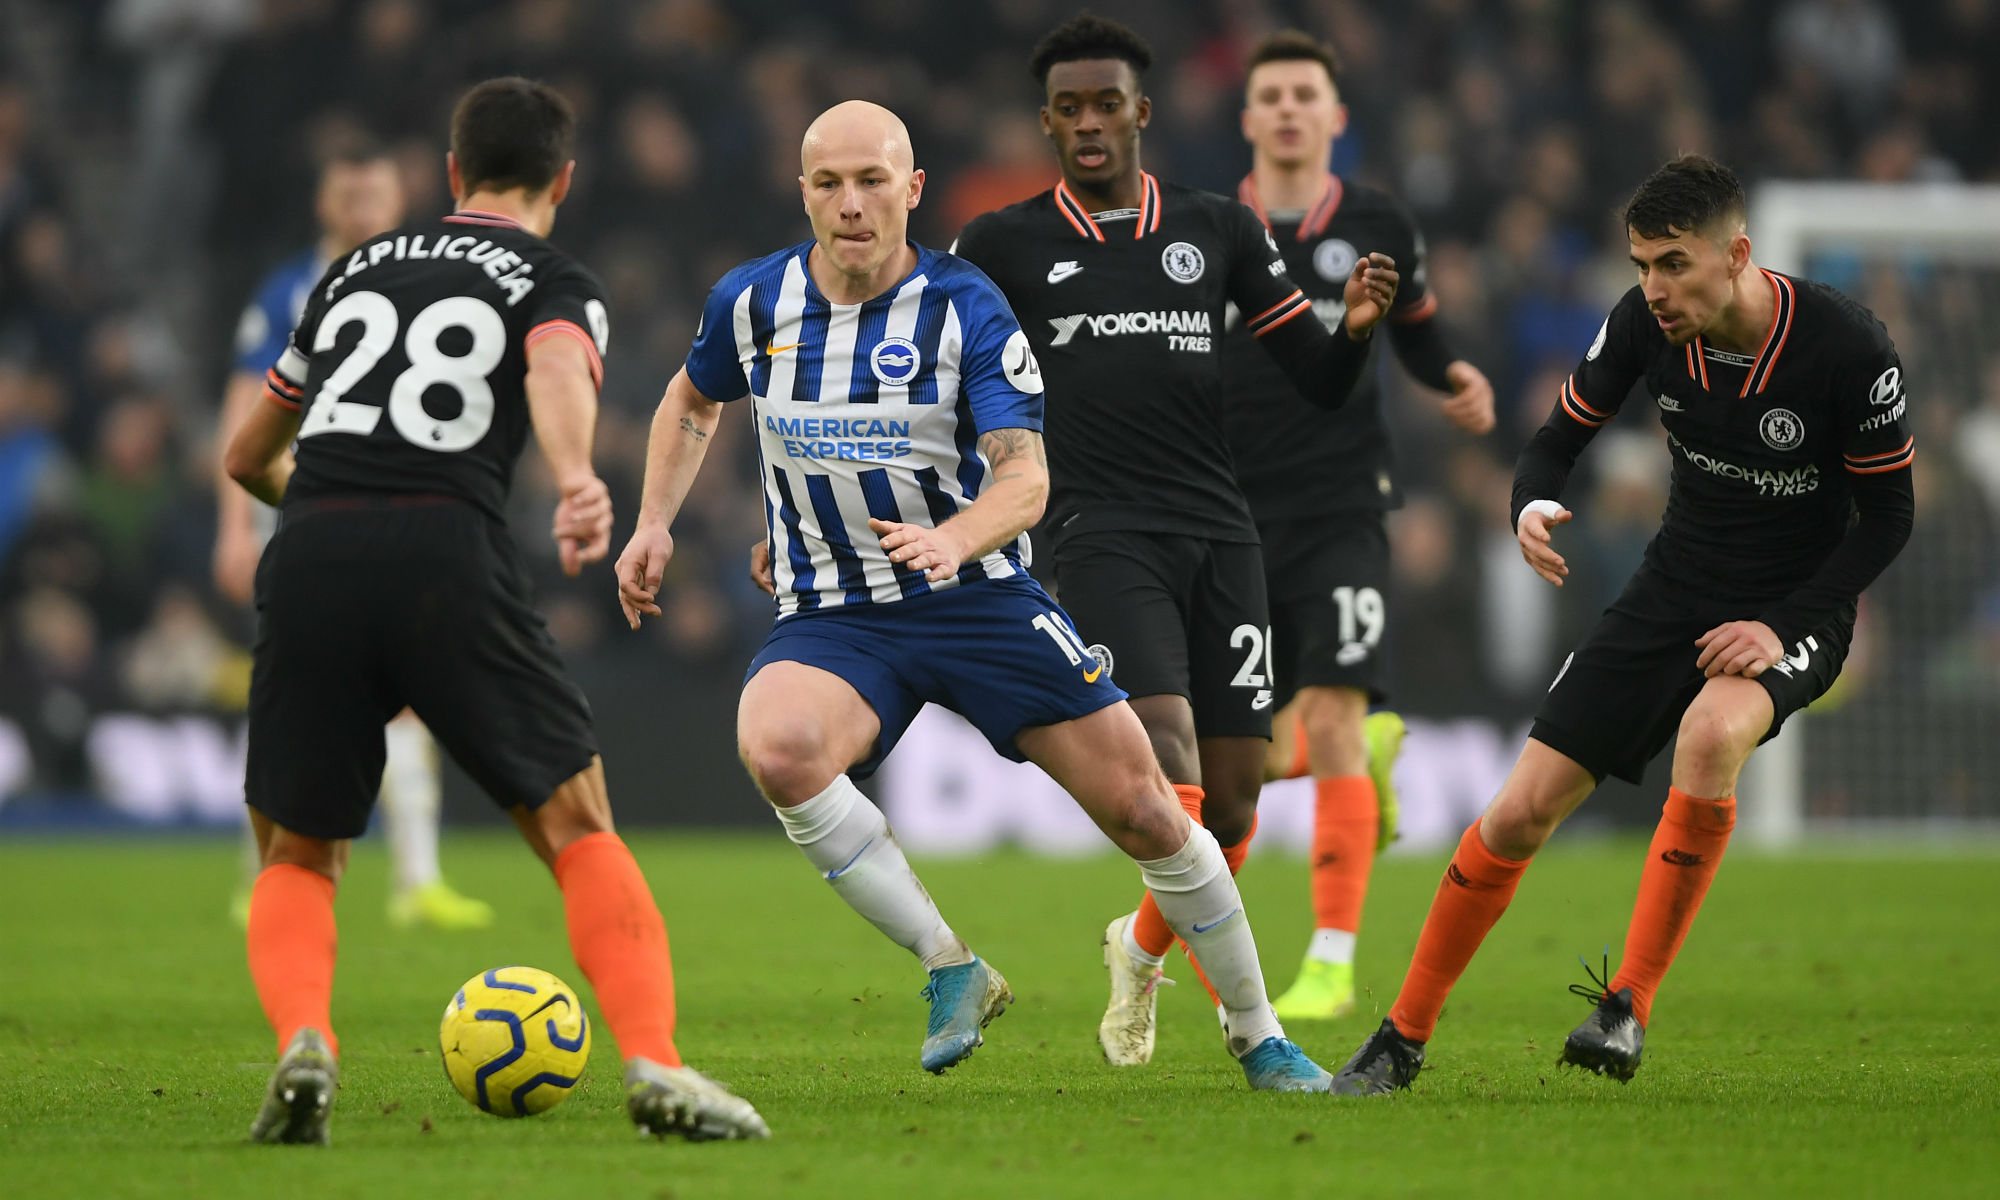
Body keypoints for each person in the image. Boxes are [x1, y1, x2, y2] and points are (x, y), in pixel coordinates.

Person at [616, 99, 1334, 1092]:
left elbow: (1025, 478)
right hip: (836, 616)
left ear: (911, 191)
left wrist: (951, 539)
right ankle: (952, 966)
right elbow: (693, 397)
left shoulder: (964, 305)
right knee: (776, 744)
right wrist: (653, 521)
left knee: (1148, 809)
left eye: (872, 181)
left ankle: (1259, 1035)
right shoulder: (751, 302)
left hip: (979, 598)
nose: (851, 204)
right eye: (828, 183)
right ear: (803, 194)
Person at [224, 77, 767, 1144]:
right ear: (563, 180)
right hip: (446, 549)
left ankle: (305, 1043)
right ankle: (653, 1062)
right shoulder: (550, 273)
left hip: (312, 549)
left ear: (447, 175)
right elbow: (557, 365)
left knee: (297, 850)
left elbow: (246, 458)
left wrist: (339, 508)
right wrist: (574, 477)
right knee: (575, 825)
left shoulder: (350, 272)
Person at [1331, 155, 1915, 1094]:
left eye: (1674, 263)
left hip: (1797, 600)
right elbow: (1559, 438)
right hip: (1672, 585)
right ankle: (1399, 1037)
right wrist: (1531, 502)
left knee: (1712, 731)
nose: (1655, 287)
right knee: (1519, 812)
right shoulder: (1644, 321)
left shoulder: (1848, 346)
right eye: (1642, 264)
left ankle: (1627, 1008)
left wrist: (1780, 627)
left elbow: (1890, 519)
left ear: (1738, 254)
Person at [949, 12, 1398, 1067]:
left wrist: (1361, 332)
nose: (1090, 123)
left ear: (1141, 112)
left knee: (1234, 802)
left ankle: (1137, 946)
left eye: (1107, 104)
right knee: (1173, 769)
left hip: (1220, 532)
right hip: (1099, 533)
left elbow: (1319, 381)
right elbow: (940, 384)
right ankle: (1259, 1037)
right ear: (1047, 123)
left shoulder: (1218, 230)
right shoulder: (1002, 245)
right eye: (1069, 109)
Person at [1222, 31, 1496, 1022]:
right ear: (1245, 118)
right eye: (1272, 95)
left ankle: (1329, 962)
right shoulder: (1207, 228)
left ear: (1335, 117)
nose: (1289, 109)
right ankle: (1366, 760)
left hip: (1340, 501)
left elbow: (1414, 326)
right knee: (1240, 757)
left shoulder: (1378, 219)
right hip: (1229, 513)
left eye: (1306, 94)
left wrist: (1451, 373)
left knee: (1331, 711)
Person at [215, 142, 492, 932]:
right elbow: (242, 411)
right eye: (350, 194)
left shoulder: (425, 281)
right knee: (290, 696)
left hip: (399, 513)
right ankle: (261, 872)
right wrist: (235, 526)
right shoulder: (289, 289)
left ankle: (418, 881)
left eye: (377, 194)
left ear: (398, 200)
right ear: (324, 203)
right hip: (296, 512)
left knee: (409, 694)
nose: (365, 208)